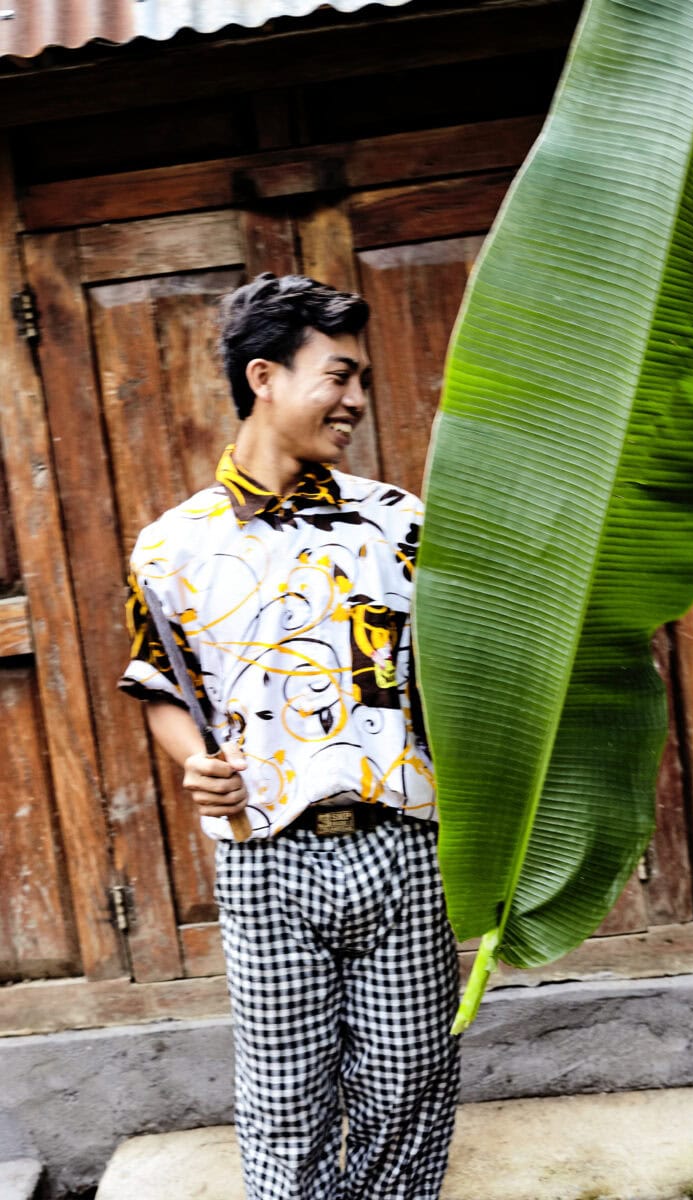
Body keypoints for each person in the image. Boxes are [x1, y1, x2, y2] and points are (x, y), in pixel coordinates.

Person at [119, 273, 460, 1200]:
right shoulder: (170, 547)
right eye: (338, 374)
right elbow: (161, 687)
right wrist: (198, 768)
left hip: (402, 847)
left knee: (408, 1088)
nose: (356, 399)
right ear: (263, 375)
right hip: (264, 859)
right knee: (283, 1101)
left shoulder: (398, 524)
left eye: (360, 378)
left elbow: (469, 672)